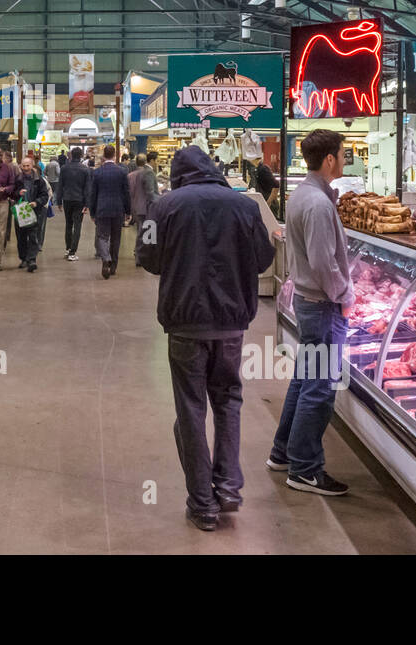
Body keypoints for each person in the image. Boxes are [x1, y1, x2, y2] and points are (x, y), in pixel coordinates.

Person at [139, 146, 274, 531]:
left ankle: (202, 504)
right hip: (232, 325)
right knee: (229, 400)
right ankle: (228, 485)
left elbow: (147, 258)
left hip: (184, 323)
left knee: (191, 409)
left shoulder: (163, 207)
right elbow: (264, 260)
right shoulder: (245, 207)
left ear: (180, 174)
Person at [269, 129, 353, 497]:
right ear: (330, 159)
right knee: (319, 390)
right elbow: (322, 260)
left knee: (305, 381)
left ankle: (283, 453)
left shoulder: (303, 195)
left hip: (308, 302)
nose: (346, 158)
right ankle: (304, 469)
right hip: (321, 306)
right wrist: (344, 294)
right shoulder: (318, 204)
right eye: (344, 153)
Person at [87, 143, 131, 279]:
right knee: (116, 238)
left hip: (102, 209)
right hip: (118, 209)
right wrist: (128, 211)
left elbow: (93, 194)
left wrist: (92, 212)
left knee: (103, 237)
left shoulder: (97, 173)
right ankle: (113, 266)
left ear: (104, 156)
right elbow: (126, 193)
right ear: (114, 155)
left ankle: (105, 257)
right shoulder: (122, 172)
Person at [14, 154, 50, 272]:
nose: (25, 168)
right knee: (21, 237)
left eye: (27, 165)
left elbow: (45, 195)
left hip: (34, 211)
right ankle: (23, 258)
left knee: (33, 236)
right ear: (20, 166)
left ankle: (32, 259)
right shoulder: (17, 179)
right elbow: (12, 193)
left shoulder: (39, 180)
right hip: (21, 211)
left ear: (32, 165)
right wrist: (18, 193)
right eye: (23, 166)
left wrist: (37, 202)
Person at [60, 146, 91, 260]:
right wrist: (87, 204)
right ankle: (73, 252)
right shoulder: (85, 169)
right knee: (77, 225)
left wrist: (58, 201)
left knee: (68, 224)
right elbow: (87, 188)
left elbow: (60, 185)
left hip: (67, 199)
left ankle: (68, 249)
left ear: (71, 155)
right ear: (81, 156)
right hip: (79, 200)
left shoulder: (64, 168)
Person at [130, 152, 160, 267]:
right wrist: (160, 201)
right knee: (143, 233)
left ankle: (141, 256)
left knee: (142, 232)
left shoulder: (141, 172)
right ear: (152, 160)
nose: (157, 163)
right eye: (157, 160)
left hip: (140, 206)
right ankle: (141, 257)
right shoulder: (149, 172)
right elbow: (150, 193)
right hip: (146, 208)